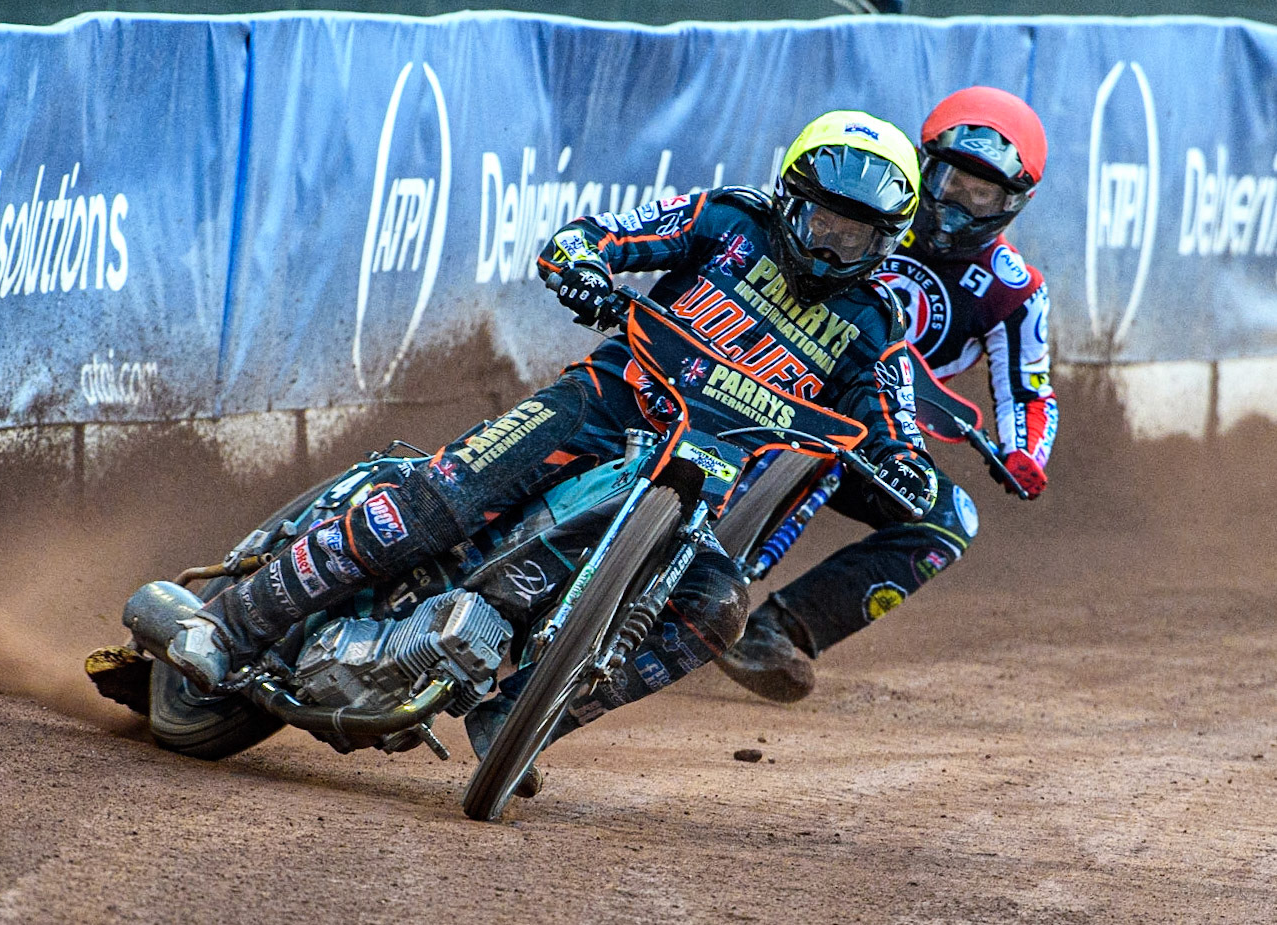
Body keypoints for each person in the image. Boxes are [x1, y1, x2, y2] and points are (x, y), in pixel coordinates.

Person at [125, 110, 936, 786]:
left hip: (704, 483)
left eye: (856, 235)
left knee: (717, 610)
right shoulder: (726, 221)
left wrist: (900, 460)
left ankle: (523, 716)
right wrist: (583, 264)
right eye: (821, 220)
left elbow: (887, 411)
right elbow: (597, 235)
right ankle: (232, 623)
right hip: (606, 403)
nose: (831, 246)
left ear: (888, 242)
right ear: (788, 198)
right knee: (443, 500)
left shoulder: (874, 325)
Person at [716, 87, 1057, 703]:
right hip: (758, 379)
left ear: (1014, 205)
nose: (958, 205)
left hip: (879, 441)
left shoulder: (1015, 291)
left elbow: (1031, 388)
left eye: (981, 195)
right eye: (951, 181)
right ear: (927, 167)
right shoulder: (869, 205)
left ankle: (776, 627)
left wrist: (1025, 451)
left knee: (951, 518)